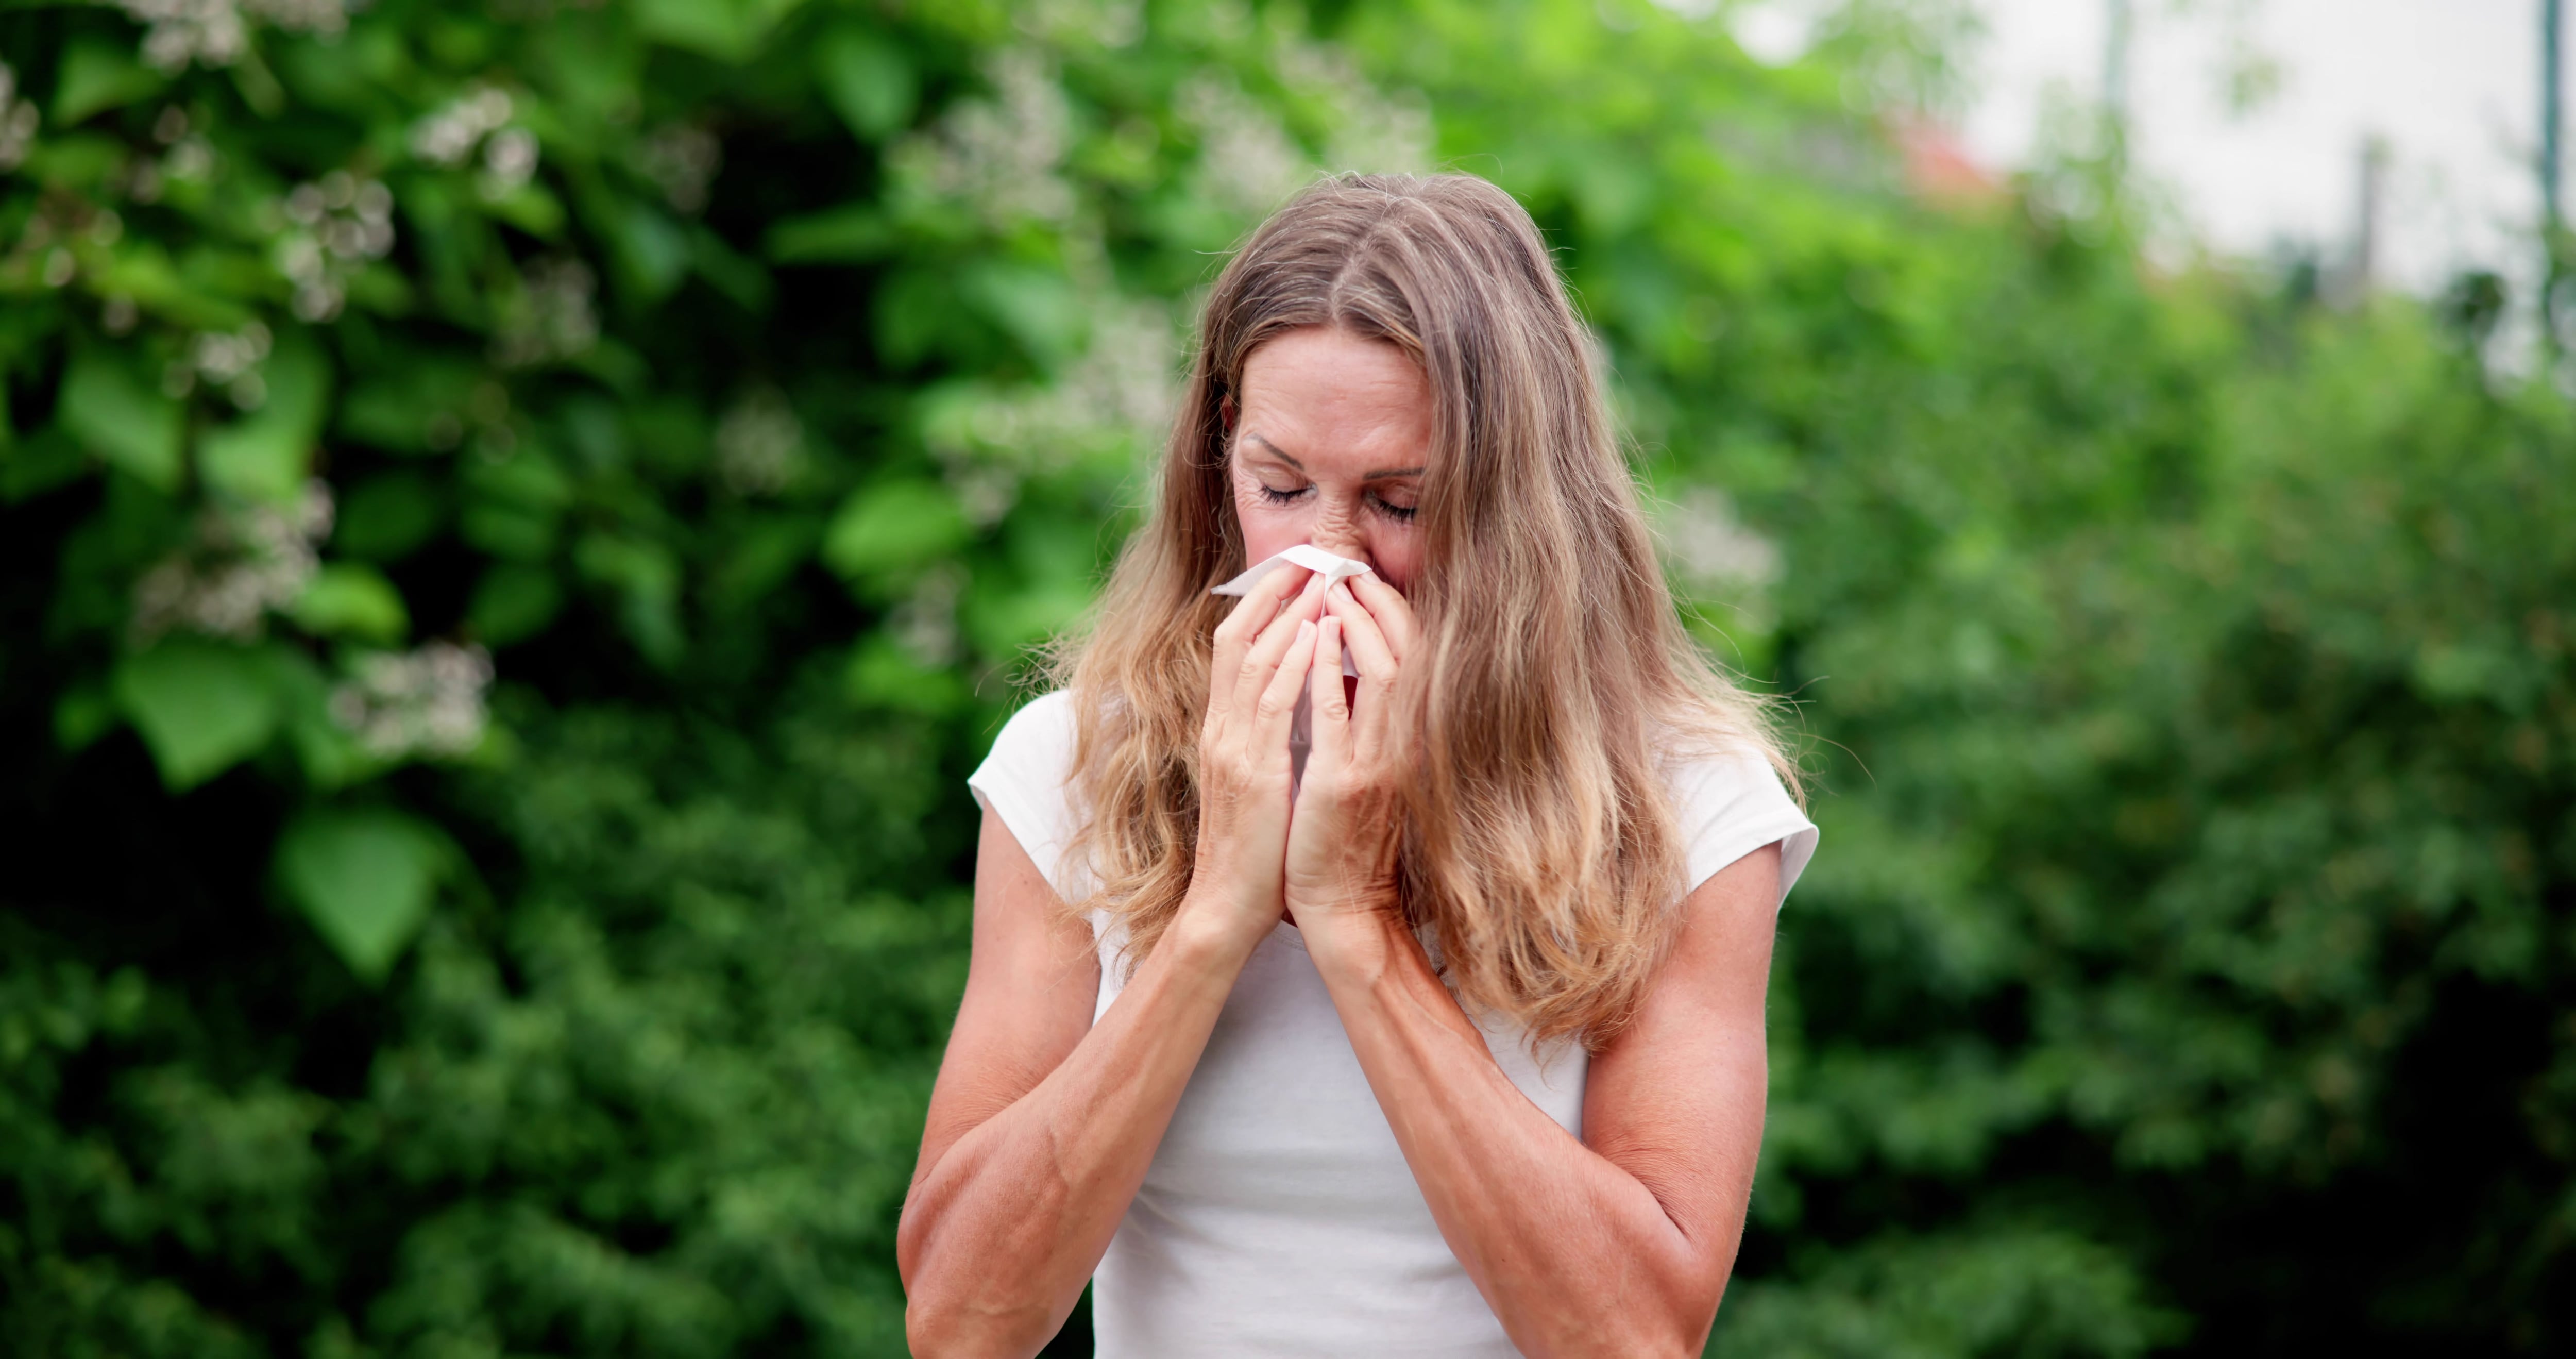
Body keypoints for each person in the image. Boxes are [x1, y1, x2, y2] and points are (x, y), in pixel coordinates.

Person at [896, 173, 1818, 1359]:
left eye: (1398, 502)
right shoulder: (1076, 763)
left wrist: (1354, 921)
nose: (1328, 559)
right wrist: (1215, 917)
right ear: (1219, 450)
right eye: (1280, 486)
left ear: (1513, 503)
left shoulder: (1687, 804)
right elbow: (963, 1323)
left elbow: (1635, 1337)